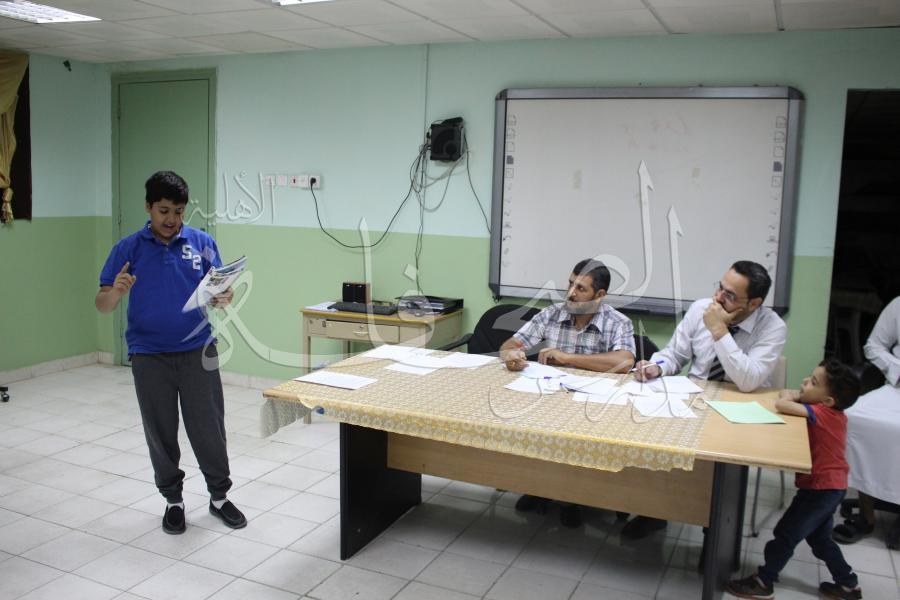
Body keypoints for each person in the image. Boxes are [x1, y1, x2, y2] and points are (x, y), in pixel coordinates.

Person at [96, 171, 246, 534]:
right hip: (149, 355)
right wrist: (116, 291)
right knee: (160, 430)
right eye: (163, 211)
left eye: (178, 212)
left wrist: (225, 296)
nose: (171, 220)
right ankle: (173, 501)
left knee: (209, 427)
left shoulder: (202, 243)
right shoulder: (128, 249)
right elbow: (102, 304)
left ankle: (219, 497)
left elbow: (221, 290)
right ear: (148, 207)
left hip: (198, 350)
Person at [625, 260, 788, 539]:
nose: (718, 298)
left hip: (738, 408)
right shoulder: (701, 308)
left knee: (719, 471)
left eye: (730, 295)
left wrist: (720, 331)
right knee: (650, 436)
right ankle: (654, 511)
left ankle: (714, 536)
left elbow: (748, 380)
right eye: (720, 288)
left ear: (754, 303)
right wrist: (657, 366)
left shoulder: (772, 327)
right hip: (695, 398)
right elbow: (675, 354)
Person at [499, 258, 636, 527]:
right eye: (570, 284)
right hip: (550, 401)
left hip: (592, 408)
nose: (571, 293)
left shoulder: (618, 322)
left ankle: (572, 497)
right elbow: (512, 343)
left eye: (581, 288)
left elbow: (624, 362)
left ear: (600, 295)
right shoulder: (552, 313)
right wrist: (510, 355)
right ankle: (540, 487)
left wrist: (568, 358)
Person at [726, 359, 863, 600]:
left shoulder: (822, 414)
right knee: (820, 540)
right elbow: (788, 397)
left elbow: (782, 402)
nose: (805, 382)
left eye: (813, 382)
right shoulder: (831, 412)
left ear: (828, 401)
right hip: (831, 486)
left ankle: (764, 581)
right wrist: (801, 395)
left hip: (821, 489)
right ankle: (848, 585)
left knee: (786, 534)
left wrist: (794, 396)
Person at [833, 296, 900, 550]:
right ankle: (866, 514)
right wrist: (896, 369)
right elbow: (874, 346)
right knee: (856, 418)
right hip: (897, 387)